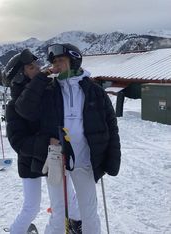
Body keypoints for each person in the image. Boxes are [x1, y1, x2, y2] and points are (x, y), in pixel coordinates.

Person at [14, 43, 121, 234]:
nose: (56, 65)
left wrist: (112, 159)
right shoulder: (49, 90)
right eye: (54, 62)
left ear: (74, 61)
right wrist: (41, 77)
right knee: (59, 214)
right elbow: (24, 109)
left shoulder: (94, 91)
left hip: (85, 160)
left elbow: (111, 126)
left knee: (89, 214)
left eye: (61, 61)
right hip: (57, 159)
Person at [4, 49, 81, 234]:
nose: (38, 68)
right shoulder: (14, 106)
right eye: (31, 67)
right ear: (21, 76)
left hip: (53, 157)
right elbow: (18, 142)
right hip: (31, 161)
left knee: (68, 198)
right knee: (31, 207)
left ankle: (76, 223)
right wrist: (48, 143)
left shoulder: (47, 92)